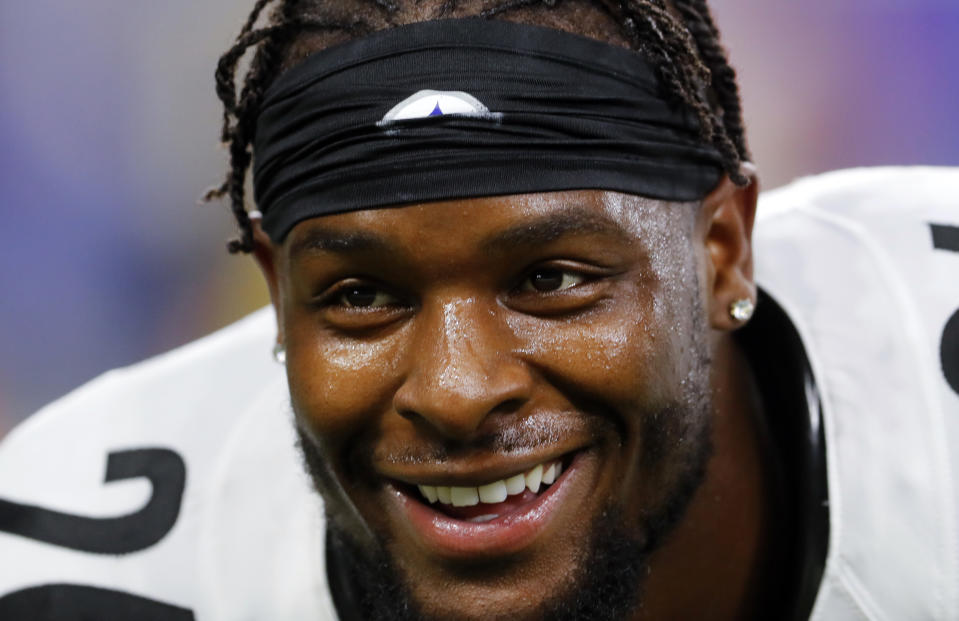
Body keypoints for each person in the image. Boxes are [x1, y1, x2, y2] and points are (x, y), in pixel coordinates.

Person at [0, 0, 957, 619]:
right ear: (276, 289)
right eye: (360, 296)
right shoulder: (66, 573)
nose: (458, 389)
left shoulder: (930, 386)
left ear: (721, 251)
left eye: (550, 279)